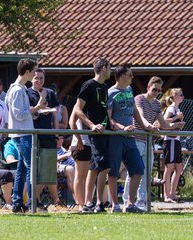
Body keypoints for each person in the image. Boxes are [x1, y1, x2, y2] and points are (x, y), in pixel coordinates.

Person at [122, 77, 180, 210]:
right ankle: (127, 202)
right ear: (148, 87)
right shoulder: (139, 98)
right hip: (136, 140)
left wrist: (175, 125)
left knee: (146, 174)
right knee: (133, 172)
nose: (156, 93)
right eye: (154, 89)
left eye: (159, 91)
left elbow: (164, 123)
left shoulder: (156, 104)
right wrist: (149, 126)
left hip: (148, 142)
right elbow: (141, 116)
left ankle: (141, 202)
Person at [106, 64, 153, 213]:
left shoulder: (129, 90)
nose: (132, 77)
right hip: (115, 137)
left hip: (129, 137)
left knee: (138, 169)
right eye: (130, 75)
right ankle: (115, 204)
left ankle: (130, 204)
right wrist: (121, 128)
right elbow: (109, 119)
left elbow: (134, 112)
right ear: (122, 76)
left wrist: (146, 126)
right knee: (113, 172)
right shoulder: (110, 92)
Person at [5, 58, 46, 213]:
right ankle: (31, 202)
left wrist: (35, 110)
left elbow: (22, 113)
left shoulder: (19, 88)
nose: (35, 74)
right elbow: (18, 114)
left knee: (23, 169)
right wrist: (35, 109)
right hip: (22, 134)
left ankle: (17, 202)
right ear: (27, 72)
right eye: (34, 71)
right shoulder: (16, 90)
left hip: (23, 132)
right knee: (31, 168)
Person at [71, 57, 111, 213]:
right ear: (103, 68)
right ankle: (98, 203)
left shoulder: (105, 87)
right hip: (94, 134)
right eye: (109, 67)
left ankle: (89, 203)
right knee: (104, 167)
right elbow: (78, 110)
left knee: (94, 169)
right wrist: (92, 125)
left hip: (105, 132)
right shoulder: (88, 85)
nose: (110, 70)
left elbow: (105, 111)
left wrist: (110, 124)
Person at [27, 68, 65, 210]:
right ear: (32, 78)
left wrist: (56, 134)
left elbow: (55, 115)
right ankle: (33, 200)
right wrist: (39, 107)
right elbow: (28, 114)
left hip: (49, 136)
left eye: (41, 78)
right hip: (33, 135)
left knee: (48, 169)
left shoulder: (50, 93)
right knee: (34, 169)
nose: (39, 80)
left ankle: (36, 200)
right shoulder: (26, 93)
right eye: (36, 78)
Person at [162, 88, 185, 203]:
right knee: (170, 167)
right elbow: (164, 121)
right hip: (170, 141)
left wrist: (180, 123)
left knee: (179, 167)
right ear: (174, 96)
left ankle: (172, 194)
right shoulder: (171, 108)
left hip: (176, 140)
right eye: (180, 95)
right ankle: (167, 196)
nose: (182, 97)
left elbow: (174, 124)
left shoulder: (177, 108)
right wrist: (177, 118)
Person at [56, 135, 75, 205]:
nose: (60, 140)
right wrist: (68, 154)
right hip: (63, 172)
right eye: (58, 138)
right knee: (70, 170)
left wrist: (71, 153)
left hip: (76, 169)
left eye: (61, 138)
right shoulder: (52, 148)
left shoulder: (63, 149)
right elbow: (54, 159)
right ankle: (78, 201)